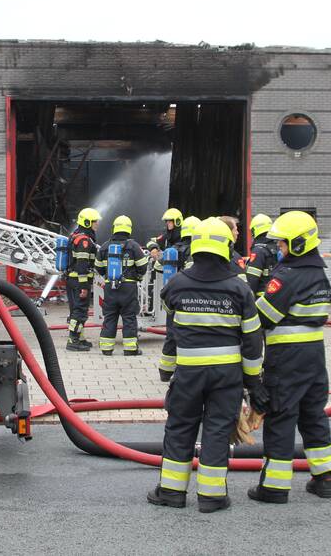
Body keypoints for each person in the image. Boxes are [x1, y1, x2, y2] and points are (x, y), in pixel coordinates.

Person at [148, 218, 266, 513]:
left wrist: (166, 368)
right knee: (217, 430)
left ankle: (171, 492)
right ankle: (212, 497)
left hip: (188, 373)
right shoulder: (239, 288)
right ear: (226, 247)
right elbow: (252, 340)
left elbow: (172, 330)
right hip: (227, 375)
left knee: (180, 427)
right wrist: (253, 381)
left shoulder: (176, 285)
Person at [248, 210, 331, 504]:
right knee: (314, 414)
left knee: (281, 416)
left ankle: (273, 487)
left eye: (282, 243)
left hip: (287, 357)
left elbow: (263, 317)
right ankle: (324, 478)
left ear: (298, 244)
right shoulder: (319, 274)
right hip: (315, 357)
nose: (278, 248)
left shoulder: (287, 276)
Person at [94, 215, 148, 356]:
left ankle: (106, 348)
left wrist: (107, 276)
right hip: (128, 288)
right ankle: (130, 349)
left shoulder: (105, 247)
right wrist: (137, 277)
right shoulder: (133, 246)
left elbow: (98, 266)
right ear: (129, 229)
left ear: (114, 228)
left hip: (110, 288)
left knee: (110, 317)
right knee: (129, 317)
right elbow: (143, 266)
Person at [66, 207, 101, 352]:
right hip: (79, 281)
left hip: (73, 280)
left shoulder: (76, 236)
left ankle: (79, 338)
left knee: (77, 310)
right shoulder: (84, 241)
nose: (97, 224)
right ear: (87, 222)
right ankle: (72, 340)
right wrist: (84, 286)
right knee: (79, 311)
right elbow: (82, 264)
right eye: (94, 221)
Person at [245, 213, 279, 297]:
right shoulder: (278, 247)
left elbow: (252, 279)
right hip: (276, 294)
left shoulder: (258, 251)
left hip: (261, 298)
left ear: (254, 231)